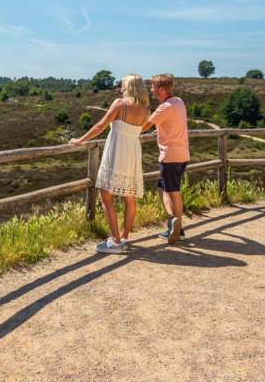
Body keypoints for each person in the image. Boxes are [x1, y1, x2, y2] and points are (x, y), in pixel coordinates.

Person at [69, 74, 151, 254]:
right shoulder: (146, 111)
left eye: (122, 85)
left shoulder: (120, 104)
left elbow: (100, 126)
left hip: (116, 152)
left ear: (129, 87)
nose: (120, 89)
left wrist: (80, 140)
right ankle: (124, 237)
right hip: (133, 153)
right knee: (129, 197)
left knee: (104, 197)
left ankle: (115, 241)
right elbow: (140, 130)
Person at [141, 74, 190, 244]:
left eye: (153, 86)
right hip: (183, 154)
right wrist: (160, 130)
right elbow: (172, 124)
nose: (151, 90)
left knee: (173, 192)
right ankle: (174, 224)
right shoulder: (179, 102)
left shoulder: (164, 108)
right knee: (162, 188)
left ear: (162, 89)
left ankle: (178, 227)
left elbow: (143, 126)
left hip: (170, 156)